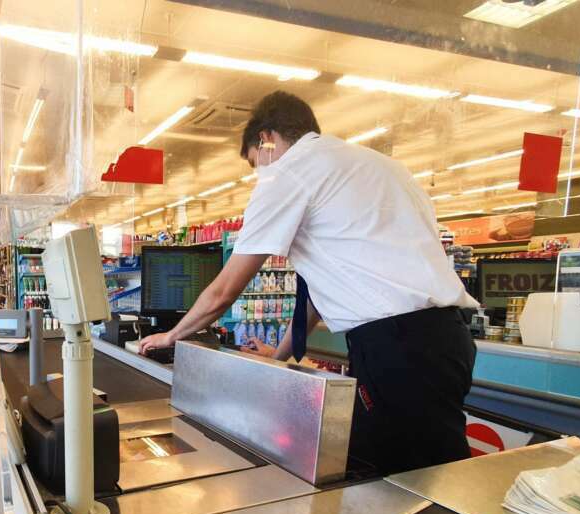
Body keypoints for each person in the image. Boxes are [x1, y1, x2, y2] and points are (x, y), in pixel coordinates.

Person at [139, 91, 479, 475]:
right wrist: (280, 357)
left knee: (403, 484)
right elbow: (318, 294)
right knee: (426, 470)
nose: (259, 175)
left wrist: (172, 336)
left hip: (398, 348)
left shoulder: (289, 173)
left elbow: (224, 290)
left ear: (267, 139)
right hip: (447, 339)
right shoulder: (382, 167)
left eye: (255, 163)